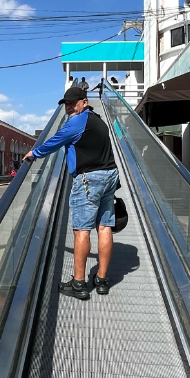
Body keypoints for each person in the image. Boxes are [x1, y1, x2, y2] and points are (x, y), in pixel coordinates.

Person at [22, 85, 118, 299]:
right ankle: (102, 280)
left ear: (84, 102)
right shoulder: (99, 121)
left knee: (82, 231)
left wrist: (34, 153)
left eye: (72, 103)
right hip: (110, 175)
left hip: (88, 180)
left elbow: (54, 142)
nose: (68, 107)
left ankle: (79, 283)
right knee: (104, 227)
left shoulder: (77, 121)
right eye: (66, 104)